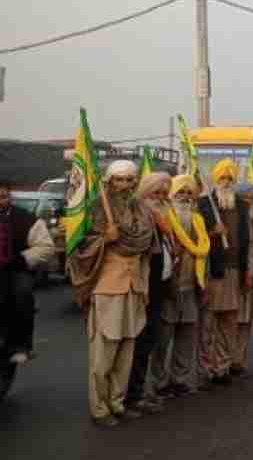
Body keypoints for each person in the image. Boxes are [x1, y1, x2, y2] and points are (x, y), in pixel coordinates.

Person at [67, 161, 154, 426]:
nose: (125, 185)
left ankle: (117, 402)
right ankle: (100, 408)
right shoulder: (96, 208)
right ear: (109, 182)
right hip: (108, 288)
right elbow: (78, 252)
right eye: (120, 180)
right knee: (103, 354)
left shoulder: (141, 208)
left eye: (130, 180)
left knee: (126, 352)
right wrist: (104, 239)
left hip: (135, 287)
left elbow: (146, 244)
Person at [149, 174, 208, 398]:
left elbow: (206, 255)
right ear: (172, 196)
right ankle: (159, 382)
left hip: (191, 287)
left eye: (188, 193)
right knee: (163, 339)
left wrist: (206, 283)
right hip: (168, 288)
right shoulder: (163, 218)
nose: (184, 197)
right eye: (180, 192)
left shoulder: (198, 220)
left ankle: (179, 379)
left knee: (186, 338)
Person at [197, 161, 253, 385]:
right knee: (208, 324)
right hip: (213, 271)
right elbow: (195, 237)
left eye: (230, 179)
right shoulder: (204, 204)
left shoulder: (241, 205)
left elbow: (248, 240)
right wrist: (213, 232)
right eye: (222, 178)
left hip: (235, 271)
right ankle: (206, 371)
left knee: (229, 322)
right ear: (215, 180)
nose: (226, 182)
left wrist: (248, 272)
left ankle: (222, 367)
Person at [123, 172, 173, 415]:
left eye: (165, 194)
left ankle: (140, 392)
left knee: (149, 343)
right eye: (156, 193)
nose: (161, 198)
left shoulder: (164, 220)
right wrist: (154, 222)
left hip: (158, 292)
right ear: (144, 194)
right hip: (141, 291)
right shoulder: (139, 217)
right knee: (138, 345)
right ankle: (130, 396)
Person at [0, 179, 53, 366]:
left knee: (21, 294)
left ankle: (22, 346)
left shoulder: (27, 219)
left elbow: (46, 247)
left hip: (16, 269)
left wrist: (22, 258)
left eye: (3, 197)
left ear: (9, 197)